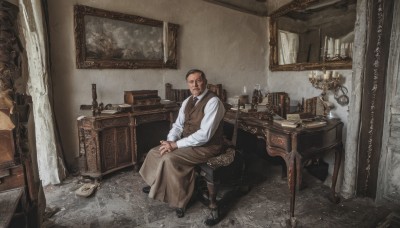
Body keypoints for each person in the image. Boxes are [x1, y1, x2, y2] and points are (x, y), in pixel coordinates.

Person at [139, 69, 226, 218]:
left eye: (198, 81)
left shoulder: (213, 102)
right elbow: (178, 126)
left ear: (204, 82)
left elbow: (204, 135)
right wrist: (170, 141)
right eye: (191, 82)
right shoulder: (187, 101)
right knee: (156, 151)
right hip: (189, 143)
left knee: (170, 158)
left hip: (207, 147)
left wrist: (176, 146)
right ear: (188, 84)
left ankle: (180, 201)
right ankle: (156, 183)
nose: (195, 84)